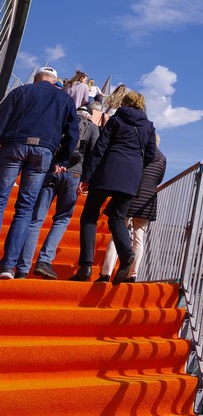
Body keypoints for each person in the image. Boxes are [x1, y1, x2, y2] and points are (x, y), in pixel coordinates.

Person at [0, 67, 79, 279]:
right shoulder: (65, 99)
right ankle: (8, 266)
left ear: (36, 79)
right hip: (44, 151)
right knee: (25, 209)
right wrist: (62, 159)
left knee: (0, 200)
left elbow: (2, 117)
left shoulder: (21, 91)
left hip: (13, 146)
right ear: (54, 81)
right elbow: (73, 134)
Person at [70, 90, 156, 283]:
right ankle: (126, 254)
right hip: (131, 177)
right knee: (117, 219)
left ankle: (86, 267)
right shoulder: (149, 126)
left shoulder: (116, 120)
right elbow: (151, 154)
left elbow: (100, 148)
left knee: (89, 216)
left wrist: (87, 177)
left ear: (124, 102)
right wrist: (135, 165)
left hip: (107, 171)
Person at [16, 103, 100, 279]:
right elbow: (93, 154)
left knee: (36, 219)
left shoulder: (63, 121)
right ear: (89, 116)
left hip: (52, 170)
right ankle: (44, 261)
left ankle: (22, 268)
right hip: (74, 174)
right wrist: (87, 179)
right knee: (62, 218)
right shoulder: (92, 128)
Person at [97, 134, 166, 283]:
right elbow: (159, 179)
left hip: (129, 194)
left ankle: (106, 273)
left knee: (116, 234)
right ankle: (132, 275)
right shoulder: (162, 158)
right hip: (147, 200)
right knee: (139, 238)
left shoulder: (137, 152)